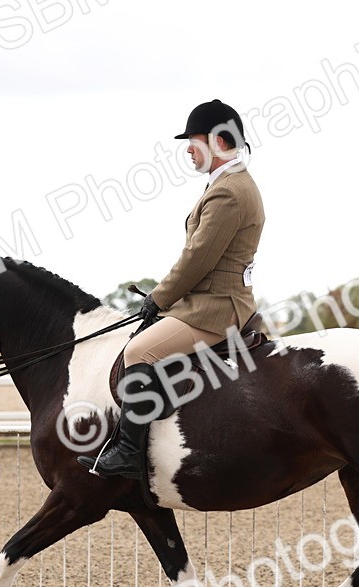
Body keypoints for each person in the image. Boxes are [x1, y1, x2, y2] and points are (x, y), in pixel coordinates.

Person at [80, 99, 265, 480]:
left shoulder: (229, 191)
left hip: (216, 307)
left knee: (138, 350)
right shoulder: (228, 184)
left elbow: (198, 258)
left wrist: (159, 297)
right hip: (209, 301)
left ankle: (129, 453)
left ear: (218, 141)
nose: (188, 150)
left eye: (194, 141)